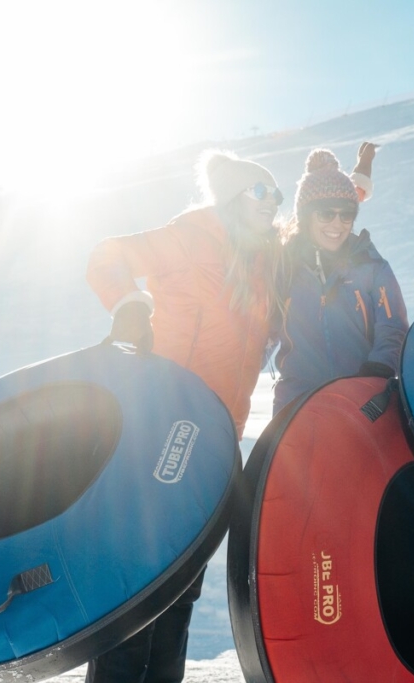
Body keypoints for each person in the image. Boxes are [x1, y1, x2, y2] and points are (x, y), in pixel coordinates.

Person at [84, 150, 283, 683]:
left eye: (277, 195)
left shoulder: (262, 262)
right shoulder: (191, 234)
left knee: (183, 585)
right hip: (160, 424)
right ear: (235, 195)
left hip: (217, 437)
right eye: (262, 192)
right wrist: (129, 305)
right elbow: (106, 256)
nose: (273, 204)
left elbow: (324, 220)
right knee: (138, 578)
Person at [272, 143, 408, 414]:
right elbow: (257, 328)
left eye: (347, 214)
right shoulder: (282, 267)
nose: (337, 224)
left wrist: (377, 372)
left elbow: (393, 328)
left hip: (365, 398)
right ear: (305, 217)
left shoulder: (371, 266)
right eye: (326, 213)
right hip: (297, 403)